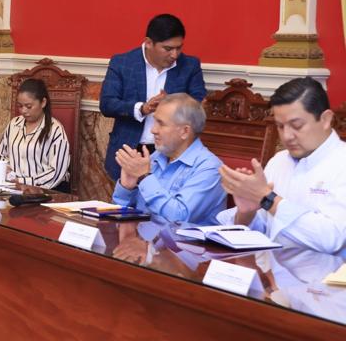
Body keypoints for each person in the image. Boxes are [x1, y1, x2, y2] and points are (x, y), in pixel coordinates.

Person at [217, 77, 346, 255]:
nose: (286, 136)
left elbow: (331, 239)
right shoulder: (279, 161)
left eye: (296, 126)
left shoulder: (341, 162)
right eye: (280, 126)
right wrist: (247, 212)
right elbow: (263, 231)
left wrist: (267, 199)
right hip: (269, 267)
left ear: (325, 119)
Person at [100, 14, 206, 180]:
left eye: (179, 48)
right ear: (149, 43)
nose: (175, 55)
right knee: (124, 195)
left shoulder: (190, 66)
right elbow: (107, 104)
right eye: (168, 49)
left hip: (172, 154)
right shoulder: (122, 63)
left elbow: (198, 106)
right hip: (130, 150)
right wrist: (142, 108)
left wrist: (172, 105)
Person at [112, 93, 224, 224]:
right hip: (142, 234)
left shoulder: (210, 168)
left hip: (180, 237)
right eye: (154, 121)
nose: (153, 130)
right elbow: (119, 216)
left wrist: (144, 177)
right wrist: (127, 188)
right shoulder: (155, 158)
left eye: (161, 123)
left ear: (185, 131)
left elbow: (179, 218)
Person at [0, 78, 70, 190]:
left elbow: (57, 173)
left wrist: (23, 181)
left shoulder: (55, 130)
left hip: (45, 191)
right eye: (20, 106)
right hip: (13, 187)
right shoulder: (14, 124)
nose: (23, 111)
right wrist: (5, 168)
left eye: (29, 106)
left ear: (43, 102)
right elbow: (0, 155)